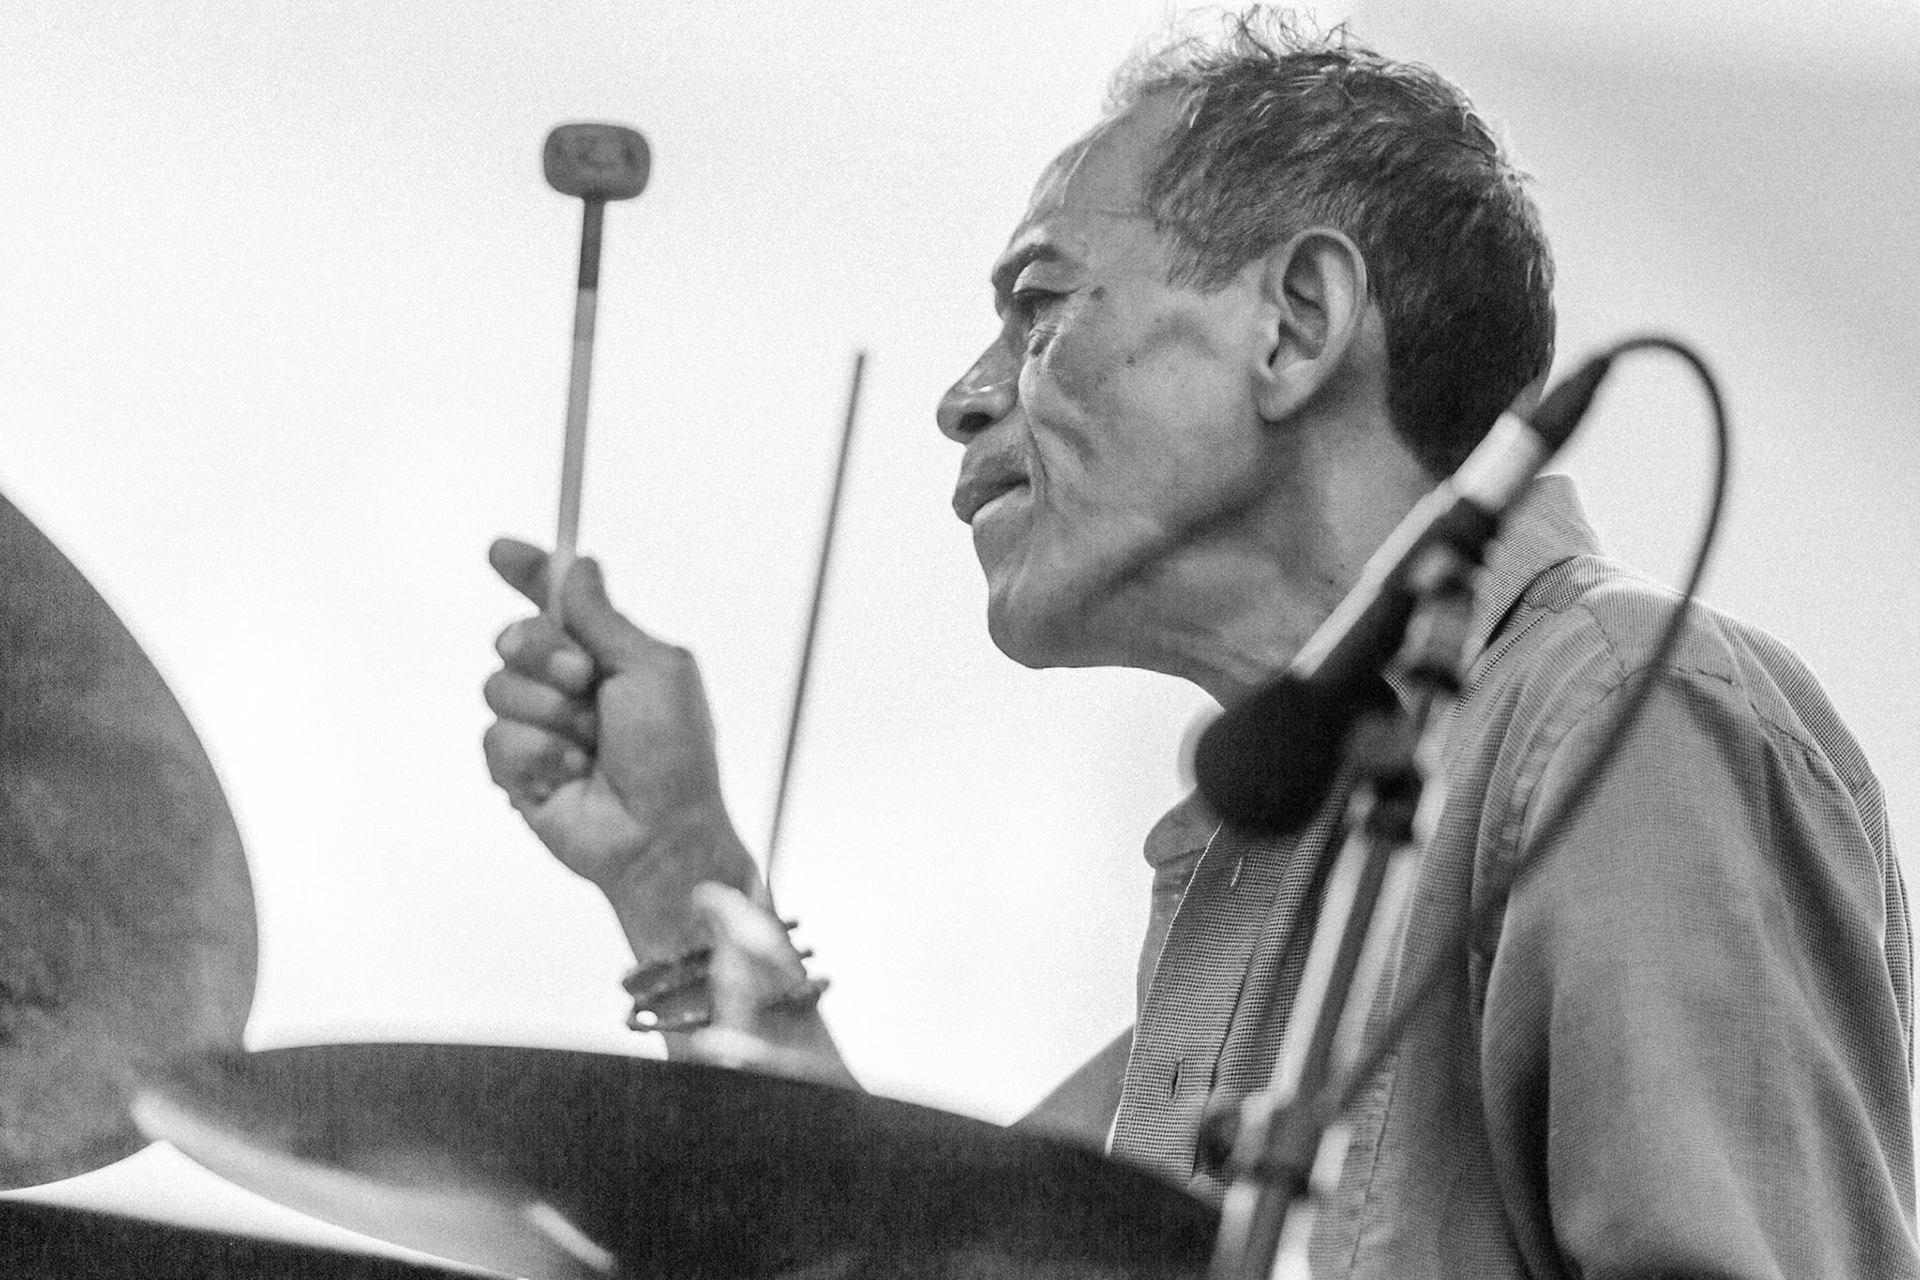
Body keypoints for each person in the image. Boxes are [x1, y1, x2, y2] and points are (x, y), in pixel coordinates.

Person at [482, 10, 1918, 1276]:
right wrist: (677, 871)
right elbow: (894, 1262)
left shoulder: (1618, 713)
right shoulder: (1284, 850)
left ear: (1296, 323)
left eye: (1039, 307)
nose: (965, 397)